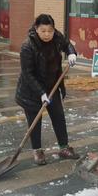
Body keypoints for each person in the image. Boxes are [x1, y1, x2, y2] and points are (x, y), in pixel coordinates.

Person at [15, 14, 79, 165]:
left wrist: (71, 53)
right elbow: (27, 74)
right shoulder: (27, 46)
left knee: (58, 117)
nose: (47, 34)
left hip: (52, 86)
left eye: (49, 31)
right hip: (31, 90)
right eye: (43, 31)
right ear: (36, 29)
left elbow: (67, 44)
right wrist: (41, 93)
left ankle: (64, 147)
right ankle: (37, 151)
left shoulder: (57, 37)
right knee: (34, 122)